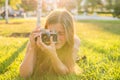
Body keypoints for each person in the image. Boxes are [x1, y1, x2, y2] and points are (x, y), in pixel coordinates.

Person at [20, 9, 82, 79]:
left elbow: (65, 72)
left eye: (61, 33)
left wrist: (53, 55)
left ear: (69, 32)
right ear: (46, 29)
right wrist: (32, 47)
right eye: (51, 33)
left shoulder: (74, 41)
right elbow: (24, 74)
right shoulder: (40, 38)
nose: (55, 39)